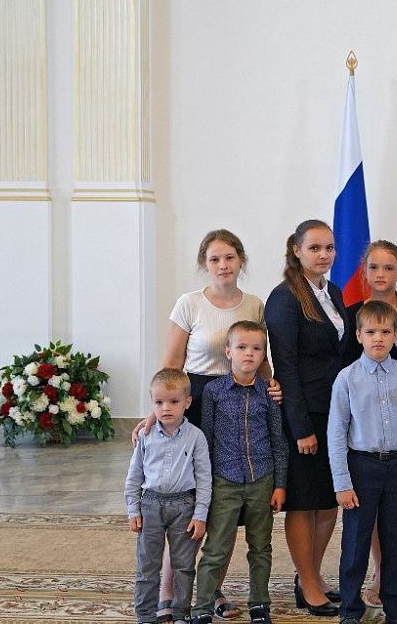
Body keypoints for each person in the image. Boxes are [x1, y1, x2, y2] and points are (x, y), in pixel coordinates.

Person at [135, 229, 281, 621]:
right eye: (215, 258)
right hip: (195, 401)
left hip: (240, 402)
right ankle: (168, 592)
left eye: (230, 257)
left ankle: (212, 589)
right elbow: (171, 364)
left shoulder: (254, 304)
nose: (223, 265)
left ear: (241, 261)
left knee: (224, 509)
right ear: (205, 263)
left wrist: (272, 387)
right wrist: (156, 412)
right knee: (186, 503)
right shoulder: (189, 303)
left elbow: (259, 357)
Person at [264, 219, 348, 617]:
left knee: (329, 500)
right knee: (304, 502)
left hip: (336, 412)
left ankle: (311, 574)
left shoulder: (334, 292)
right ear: (296, 251)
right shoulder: (284, 298)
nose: (323, 255)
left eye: (329, 247)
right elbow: (286, 366)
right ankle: (308, 583)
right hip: (305, 415)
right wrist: (300, 428)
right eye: (314, 248)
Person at [328, 300, 397, 624]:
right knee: (355, 542)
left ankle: (396, 607)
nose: (378, 338)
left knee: (395, 541)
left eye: (385, 332)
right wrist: (342, 482)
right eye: (371, 332)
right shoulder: (347, 378)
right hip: (362, 468)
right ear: (358, 335)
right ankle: (350, 610)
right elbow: (336, 434)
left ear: (396, 335)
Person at [190, 321, 288, 624]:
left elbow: (278, 441)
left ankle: (259, 604)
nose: (249, 354)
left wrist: (280, 485)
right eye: (242, 347)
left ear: (263, 355)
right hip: (225, 480)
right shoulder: (214, 392)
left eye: (256, 348)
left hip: (262, 479)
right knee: (216, 547)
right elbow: (206, 441)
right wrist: (206, 485)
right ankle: (202, 607)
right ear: (228, 351)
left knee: (261, 546)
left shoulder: (268, 393)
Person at [342, 240, 397, 607]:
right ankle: (374, 573)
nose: (380, 274)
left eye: (388, 267)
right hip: (365, 427)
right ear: (364, 273)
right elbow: (345, 368)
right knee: (365, 513)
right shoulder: (353, 313)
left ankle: (389, 576)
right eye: (373, 267)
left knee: (395, 513)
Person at [125, 368, 211, 624]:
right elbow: (134, 475)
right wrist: (133, 509)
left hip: (185, 505)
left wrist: (200, 515)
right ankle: (145, 615)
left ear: (187, 402)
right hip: (150, 505)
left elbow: (204, 478)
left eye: (173, 401)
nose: (166, 408)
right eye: (159, 402)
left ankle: (181, 612)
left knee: (183, 565)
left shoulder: (196, 437)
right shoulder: (146, 435)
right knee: (147, 566)